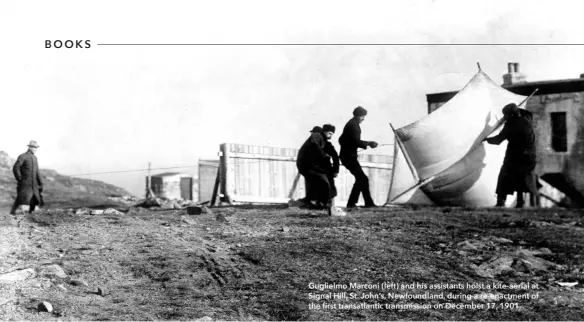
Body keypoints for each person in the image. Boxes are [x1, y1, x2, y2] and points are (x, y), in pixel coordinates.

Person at [485, 103, 538, 208]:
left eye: (506, 115)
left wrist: (486, 139)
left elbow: (498, 140)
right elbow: (525, 112)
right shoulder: (527, 119)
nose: (505, 118)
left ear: (512, 115)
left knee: (504, 176)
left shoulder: (511, 125)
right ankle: (520, 202)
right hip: (530, 156)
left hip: (516, 156)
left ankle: (501, 201)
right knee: (522, 179)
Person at [338, 106, 378, 209]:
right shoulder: (353, 125)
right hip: (349, 157)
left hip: (348, 156)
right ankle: (352, 204)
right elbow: (356, 141)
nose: (363, 119)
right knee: (362, 178)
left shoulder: (351, 124)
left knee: (362, 179)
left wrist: (357, 145)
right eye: (363, 116)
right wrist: (369, 143)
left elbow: (341, 139)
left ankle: (367, 203)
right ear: (358, 116)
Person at [296, 126, 332, 210]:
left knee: (317, 182)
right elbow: (317, 148)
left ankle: (311, 202)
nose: (311, 134)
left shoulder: (316, 140)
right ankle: (322, 203)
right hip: (307, 166)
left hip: (305, 165)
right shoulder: (316, 136)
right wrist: (324, 155)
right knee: (323, 181)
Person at [10, 141, 44, 215]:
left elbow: (37, 172)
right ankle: (13, 214)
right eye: (34, 147)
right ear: (30, 147)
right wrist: (19, 178)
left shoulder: (35, 158)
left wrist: (41, 183)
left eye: (36, 148)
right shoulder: (23, 156)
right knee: (22, 198)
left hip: (34, 184)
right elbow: (16, 167)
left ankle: (31, 214)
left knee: (35, 199)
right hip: (24, 183)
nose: (36, 149)